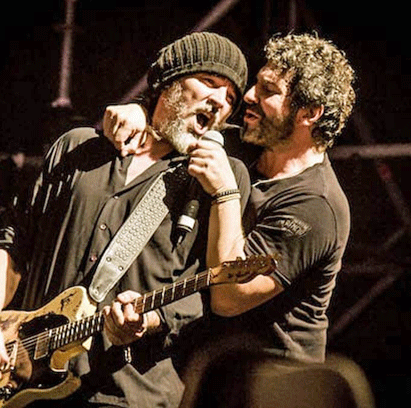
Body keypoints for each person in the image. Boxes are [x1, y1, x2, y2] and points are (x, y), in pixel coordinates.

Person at [0, 32, 250, 408]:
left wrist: (149, 319)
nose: (220, 101)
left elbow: (215, 286)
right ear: (169, 82)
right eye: (210, 83)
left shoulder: (221, 178)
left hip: (126, 395)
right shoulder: (78, 147)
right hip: (23, 380)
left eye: (231, 99)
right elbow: (13, 241)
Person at [103, 32, 356, 365]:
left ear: (309, 112)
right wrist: (141, 112)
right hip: (207, 368)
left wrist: (225, 192)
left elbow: (229, 296)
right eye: (255, 84)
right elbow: (174, 122)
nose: (248, 96)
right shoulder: (241, 145)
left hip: (273, 387)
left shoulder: (316, 205)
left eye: (268, 91)